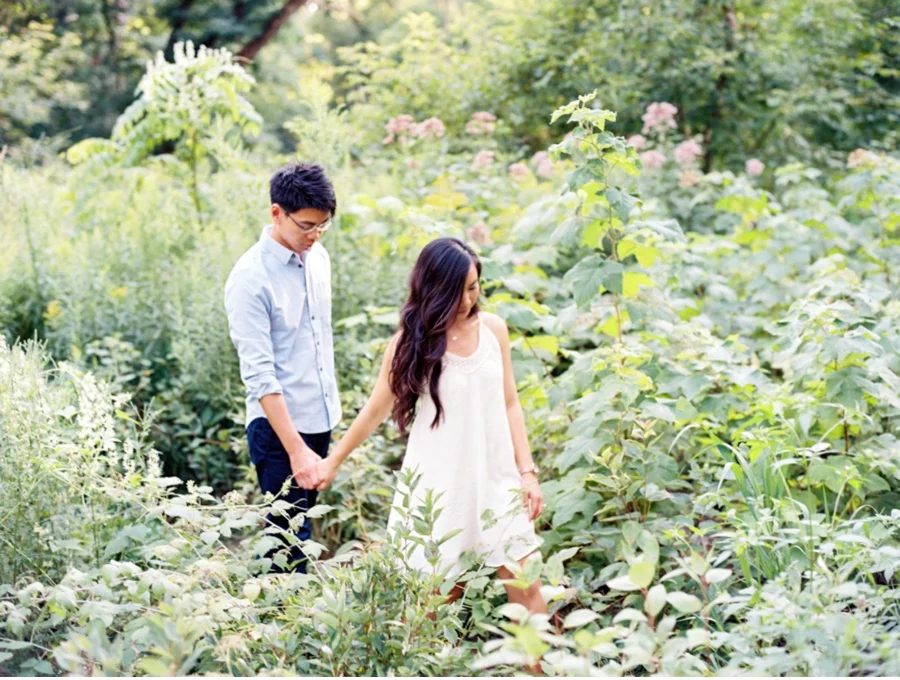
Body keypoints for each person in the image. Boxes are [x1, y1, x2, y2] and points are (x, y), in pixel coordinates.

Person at [315, 237, 547, 616]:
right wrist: (333, 461)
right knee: (435, 607)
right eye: (457, 292)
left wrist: (528, 472)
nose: (467, 301)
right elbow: (374, 411)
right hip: (441, 487)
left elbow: (510, 402)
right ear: (434, 290)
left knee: (528, 588)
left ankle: (542, 657)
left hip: (497, 479)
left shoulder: (494, 330)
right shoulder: (411, 344)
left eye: (473, 288)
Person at [224, 162, 340, 573]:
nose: (314, 235)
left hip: (319, 417)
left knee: (298, 529)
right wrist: (296, 449)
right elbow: (259, 376)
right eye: (306, 226)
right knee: (290, 542)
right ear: (277, 213)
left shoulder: (318, 258)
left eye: (322, 226)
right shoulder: (250, 278)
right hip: (278, 431)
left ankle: (285, 603)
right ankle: (280, 610)